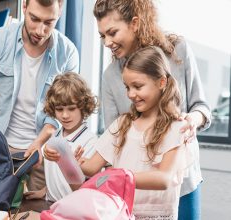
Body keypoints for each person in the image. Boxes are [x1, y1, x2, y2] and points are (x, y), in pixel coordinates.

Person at [93, 0, 211, 219]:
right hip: (138, 193)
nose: (107, 42)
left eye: (112, 32)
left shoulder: (177, 51)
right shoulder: (110, 76)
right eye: (102, 36)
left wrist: (192, 120)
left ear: (135, 23)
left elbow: (201, 107)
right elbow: (113, 138)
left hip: (183, 181)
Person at [0, 0, 79, 192]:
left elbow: (62, 110)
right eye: (34, 19)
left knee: (35, 212)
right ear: (24, 6)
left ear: (60, 12)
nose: (40, 30)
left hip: (43, 152)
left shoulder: (68, 52)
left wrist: (40, 143)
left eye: (49, 22)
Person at [76, 46, 192, 219]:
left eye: (137, 86)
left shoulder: (176, 128)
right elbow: (92, 168)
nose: (130, 94)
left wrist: (121, 177)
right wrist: (71, 161)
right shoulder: (122, 124)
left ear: (161, 82)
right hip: (120, 213)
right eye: (127, 87)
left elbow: (164, 179)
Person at [24, 72, 98, 201]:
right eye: (59, 109)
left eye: (71, 109)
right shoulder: (55, 135)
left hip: (74, 208)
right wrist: (44, 191)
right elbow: (56, 176)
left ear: (83, 107)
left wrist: (66, 160)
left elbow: (86, 187)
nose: (64, 115)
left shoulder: (91, 141)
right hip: (51, 203)